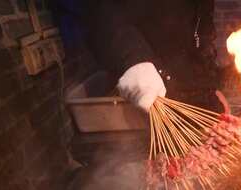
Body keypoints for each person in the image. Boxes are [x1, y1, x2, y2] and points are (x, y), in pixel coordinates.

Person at [56, 0, 221, 112]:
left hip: (188, 92)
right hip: (144, 93)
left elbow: (201, 30)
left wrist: (208, 87)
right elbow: (103, 9)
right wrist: (134, 58)